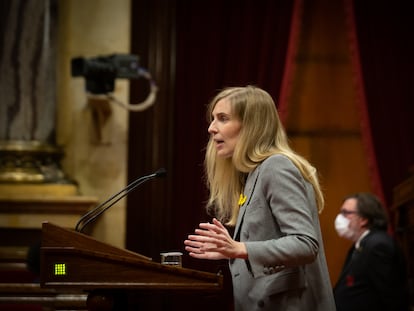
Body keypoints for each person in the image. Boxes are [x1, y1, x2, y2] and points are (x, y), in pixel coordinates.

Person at [184, 86, 336, 311]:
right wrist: (232, 251)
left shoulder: (276, 167)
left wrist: (241, 248)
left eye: (222, 119)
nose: (211, 128)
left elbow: (305, 243)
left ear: (251, 126)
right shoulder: (253, 174)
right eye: (212, 119)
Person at [333, 192, 410, 311]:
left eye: (345, 213)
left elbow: (392, 297)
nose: (339, 218)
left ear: (363, 219)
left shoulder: (378, 245)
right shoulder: (360, 245)